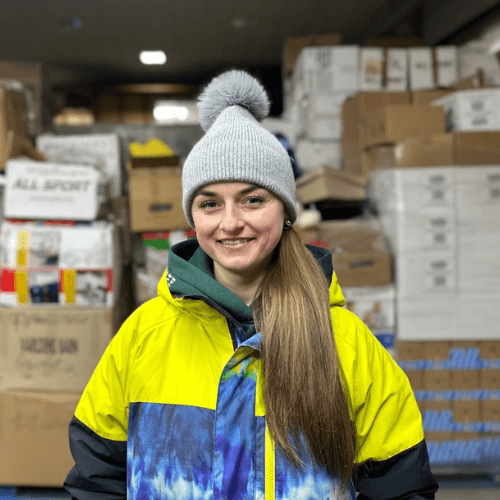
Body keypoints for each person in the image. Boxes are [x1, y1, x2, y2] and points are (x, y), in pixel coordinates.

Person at [64, 70, 439, 500]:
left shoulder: (347, 345)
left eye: (252, 199)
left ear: (285, 211)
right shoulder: (143, 336)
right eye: (209, 203)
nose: (230, 222)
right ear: (193, 218)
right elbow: (96, 477)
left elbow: (400, 488)